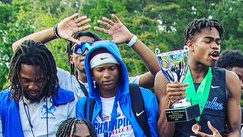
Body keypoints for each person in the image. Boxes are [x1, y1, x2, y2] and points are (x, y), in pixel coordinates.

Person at [12, 13, 162, 97]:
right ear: (71, 58)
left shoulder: (113, 82)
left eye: (90, 48)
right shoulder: (63, 81)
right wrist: (55, 31)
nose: (85, 52)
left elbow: (160, 72)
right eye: (79, 48)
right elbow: (19, 49)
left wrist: (131, 39)